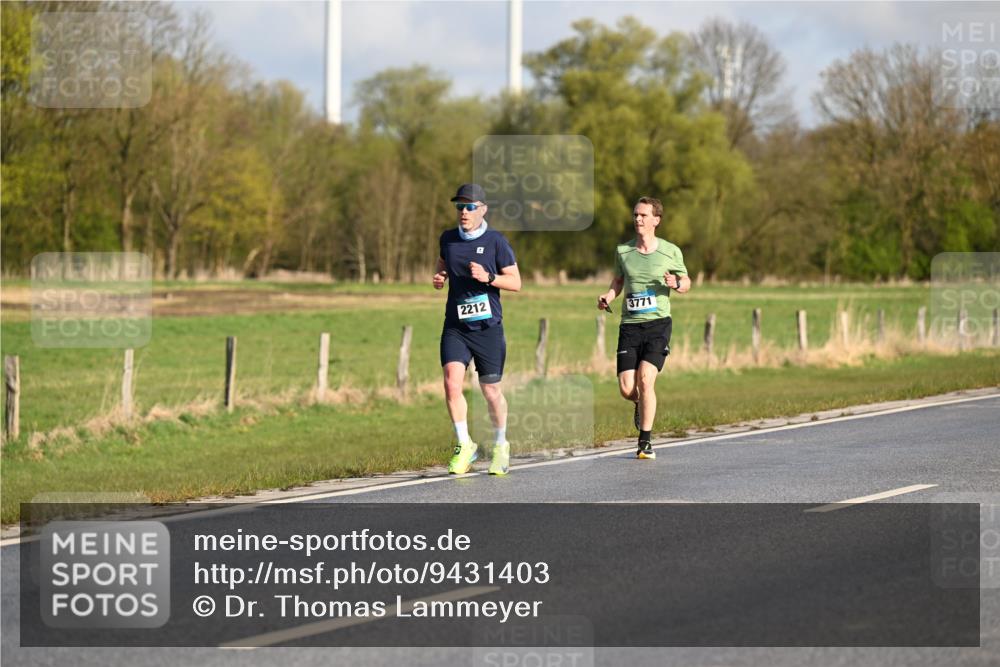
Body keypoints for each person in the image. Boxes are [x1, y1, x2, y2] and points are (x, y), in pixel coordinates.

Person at [433, 183, 522, 475]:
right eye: (460, 207)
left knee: (491, 390)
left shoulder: (497, 241)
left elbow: (516, 282)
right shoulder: (448, 239)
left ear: (483, 209)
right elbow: (444, 261)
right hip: (456, 325)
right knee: (451, 382)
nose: (464, 212)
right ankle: (464, 444)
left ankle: (500, 446)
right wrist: (440, 275)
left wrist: (488, 276)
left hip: (488, 328)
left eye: (470, 206)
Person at [597, 197, 690, 459]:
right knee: (628, 388)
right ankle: (639, 404)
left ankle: (645, 442)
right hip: (630, 326)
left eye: (643, 215)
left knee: (646, 379)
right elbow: (617, 280)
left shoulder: (671, 251)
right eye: (635, 215)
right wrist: (608, 296)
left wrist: (676, 284)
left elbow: (686, 282)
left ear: (656, 220)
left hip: (658, 324)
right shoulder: (623, 251)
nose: (637, 219)